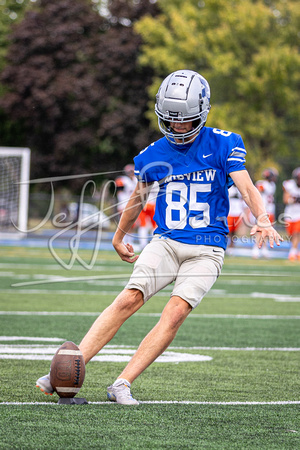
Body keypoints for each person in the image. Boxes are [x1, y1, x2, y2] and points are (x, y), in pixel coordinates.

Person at [36, 69, 283, 405]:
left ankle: (122, 383)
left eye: (185, 120)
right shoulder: (152, 153)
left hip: (207, 248)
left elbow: (246, 186)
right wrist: (119, 235)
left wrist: (264, 218)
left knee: (175, 311)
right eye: (171, 120)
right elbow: (137, 199)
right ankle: (64, 371)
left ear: (202, 112)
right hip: (165, 241)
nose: (178, 127)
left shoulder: (225, 142)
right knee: (128, 299)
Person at [251, 168, 278, 259]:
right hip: (263, 210)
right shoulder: (263, 184)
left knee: (267, 231)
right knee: (260, 231)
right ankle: (256, 249)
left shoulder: (271, 185)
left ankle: (264, 250)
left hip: (269, 210)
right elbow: (258, 190)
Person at [115, 164, 137, 245]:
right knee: (124, 225)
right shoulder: (122, 180)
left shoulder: (136, 180)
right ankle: (122, 242)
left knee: (132, 225)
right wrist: (121, 205)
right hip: (124, 205)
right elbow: (119, 193)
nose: (131, 173)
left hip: (132, 205)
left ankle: (129, 242)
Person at [283, 167, 300, 261]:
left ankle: (293, 252)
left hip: (299, 214)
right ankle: (295, 250)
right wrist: (293, 200)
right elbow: (285, 200)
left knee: (297, 232)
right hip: (289, 214)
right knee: (291, 234)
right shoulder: (290, 185)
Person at [226, 184, 245, 254]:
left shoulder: (240, 189)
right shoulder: (229, 189)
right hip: (230, 212)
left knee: (234, 231)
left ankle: (231, 247)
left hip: (238, 212)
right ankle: (226, 246)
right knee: (228, 231)